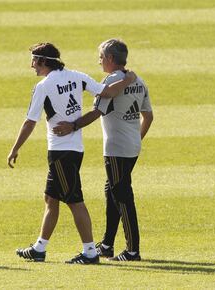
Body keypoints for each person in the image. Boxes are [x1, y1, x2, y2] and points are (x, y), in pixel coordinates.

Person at [7, 42, 136, 264]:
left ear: (44, 61)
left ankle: (90, 252)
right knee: (51, 198)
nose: (32, 66)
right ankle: (40, 248)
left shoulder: (44, 86)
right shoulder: (77, 76)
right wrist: (128, 80)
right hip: (75, 149)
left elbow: (30, 121)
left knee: (75, 201)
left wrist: (15, 148)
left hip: (60, 151)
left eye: (34, 61)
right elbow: (107, 92)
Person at [53, 39, 153, 261]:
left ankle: (132, 250)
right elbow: (149, 115)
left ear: (109, 59)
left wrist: (73, 125)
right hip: (132, 146)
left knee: (122, 196)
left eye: (100, 57)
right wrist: (137, 139)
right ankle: (107, 244)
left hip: (116, 149)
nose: (99, 62)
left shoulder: (113, 82)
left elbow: (97, 111)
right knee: (112, 191)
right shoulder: (138, 80)